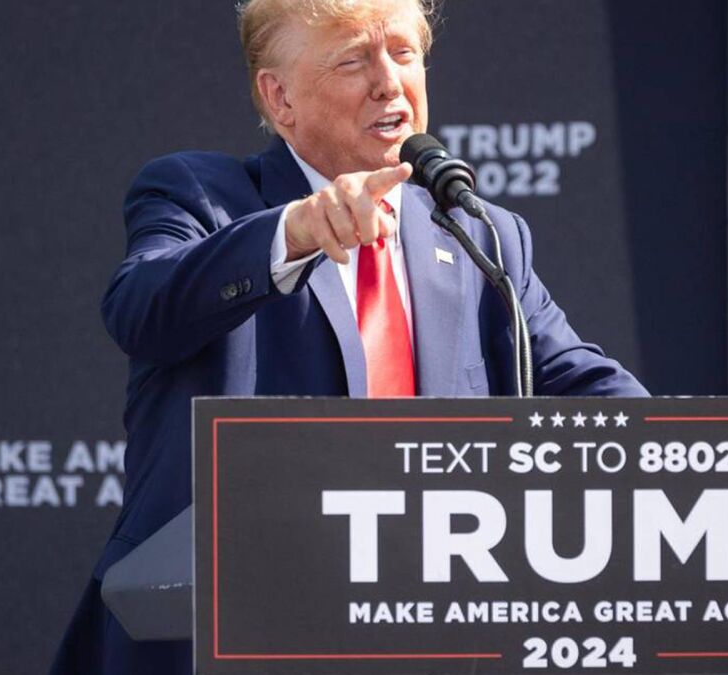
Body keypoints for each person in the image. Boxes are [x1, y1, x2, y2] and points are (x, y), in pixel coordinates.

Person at [50, 0, 646, 672]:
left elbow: (582, 383)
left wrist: (695, 459)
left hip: (418, 634)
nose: (389, 82)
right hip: (226, 631)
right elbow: (141, 305)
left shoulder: (481, 235)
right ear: (280, 98)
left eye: (404, 53)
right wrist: (294, 232)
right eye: (354, 60)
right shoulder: (200, 196)